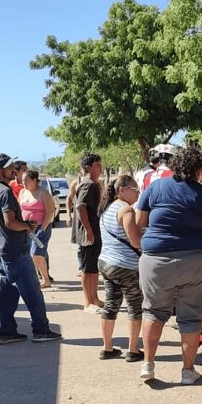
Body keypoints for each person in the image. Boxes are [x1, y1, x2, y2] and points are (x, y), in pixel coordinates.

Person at [135, 146, 202, 384]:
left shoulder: (154, 187)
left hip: (155, 259)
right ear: (198, 169)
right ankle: (187, 371)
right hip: (194, 259)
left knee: (153, 310)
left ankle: (148, 365)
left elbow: (139, 220)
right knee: (191, 317)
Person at [0, 152, 62, 345]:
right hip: (15, 250)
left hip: (4, 250)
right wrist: (27, 226)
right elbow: (10, 222)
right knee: (32, 291)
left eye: (13, 166)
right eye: (9, 167)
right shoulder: (4, 192)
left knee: (8, 294)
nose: (13, 170)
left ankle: (7, 331)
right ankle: (41, 330)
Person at [97, 174, 144, 361]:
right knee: (135, 306)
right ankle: (133, 350)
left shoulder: (108, 208)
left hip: (106, 263)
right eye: (135, 188)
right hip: (125, 266)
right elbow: (136, 241)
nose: (138, 192)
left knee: (111, 304)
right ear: (122, 190)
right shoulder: (126, 211)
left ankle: (107, 348)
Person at [73, 154, 104, 311]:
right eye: (97, 164)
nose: (100, 166)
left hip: (95, 231)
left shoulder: (95, 184)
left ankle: (95, 298)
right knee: (86, 268)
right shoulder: (88, 185)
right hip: (88, 234)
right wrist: (89, 230)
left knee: (94, 267)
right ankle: (88, 302)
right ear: (88, 167)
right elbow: (81, 207)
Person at [19, 170, 56, 287]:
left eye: (26, 180)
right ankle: (46, 279)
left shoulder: (43, 193)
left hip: (41, 228)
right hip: (26, 229)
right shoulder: (22, 193)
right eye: (22, 180)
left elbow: (50, 211)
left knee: (35, 253)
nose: (23, 182)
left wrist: (43, 228)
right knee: (39, 255)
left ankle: (31, 279)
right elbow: (20, 210)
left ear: (34, 180)